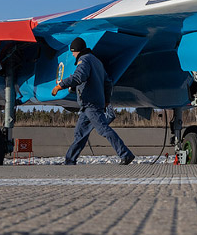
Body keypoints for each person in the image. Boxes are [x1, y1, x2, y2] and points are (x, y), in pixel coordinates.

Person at [52, 38, 135, 166]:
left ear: (76, 50)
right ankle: (69, 160)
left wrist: (60, 85)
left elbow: (79, 77)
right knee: (80, 133)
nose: (73, 55)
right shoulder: (96, 61)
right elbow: (108, 82)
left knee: (103, 129)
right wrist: (106, 100)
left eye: (73, 52)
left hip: (90, 104)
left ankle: (125, 154)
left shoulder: (84, 60)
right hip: (89, 105)